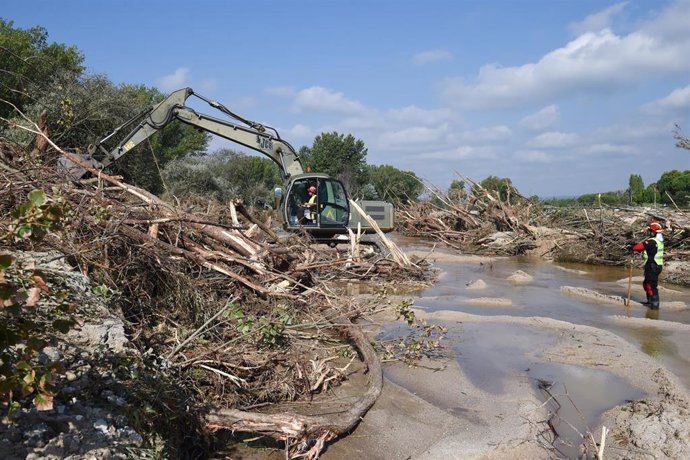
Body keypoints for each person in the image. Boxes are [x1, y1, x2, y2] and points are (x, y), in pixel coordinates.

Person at [628, 221, 664, 309]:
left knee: (651, 285)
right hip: (655, 266)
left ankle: (655, 305)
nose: (648, 232)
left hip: (653, 266)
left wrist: (631, 248)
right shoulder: (658, 241)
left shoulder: (652, 241)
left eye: (649, 230)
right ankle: (650, 301)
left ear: (653, 232)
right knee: (646, 284)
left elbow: (639, 247)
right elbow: (646, 249)